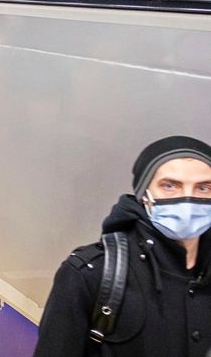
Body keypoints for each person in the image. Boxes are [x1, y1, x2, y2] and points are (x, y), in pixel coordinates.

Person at [34, 136, 211, 357]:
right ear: (144, 195)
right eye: (169, 186)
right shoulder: (90, 274)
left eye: (203, 188)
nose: (188, 200)